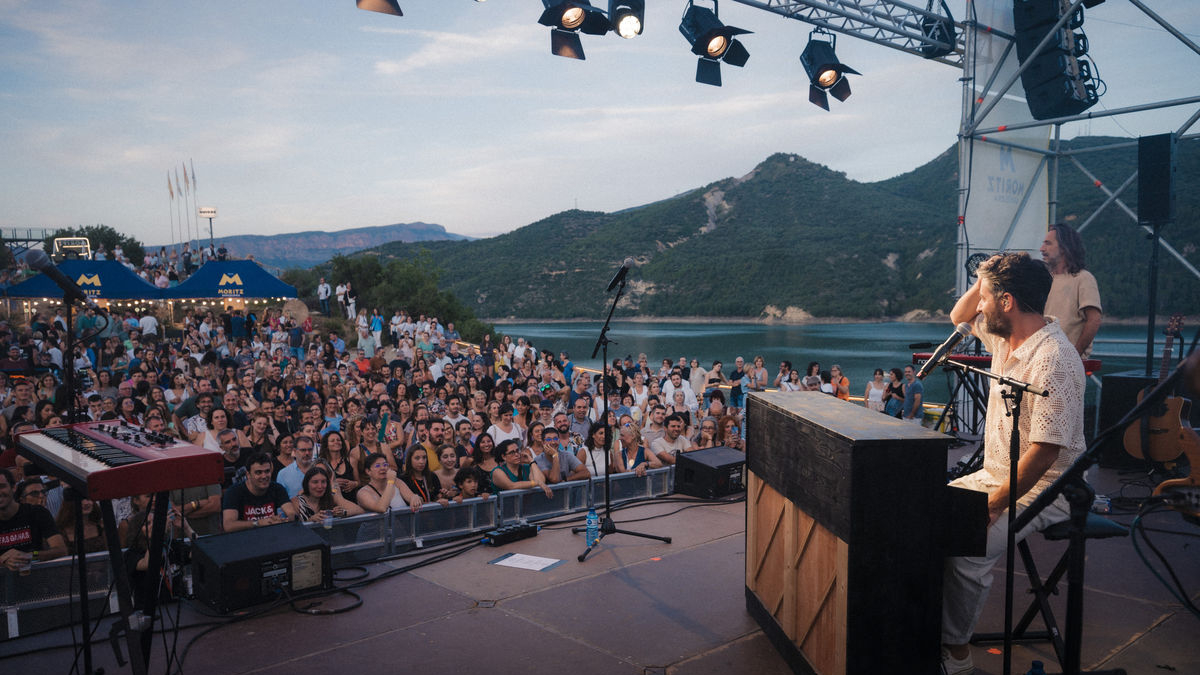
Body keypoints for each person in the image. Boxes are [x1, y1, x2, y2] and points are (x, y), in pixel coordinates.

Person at [940, 252, 1084, 675]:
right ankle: (924, 628)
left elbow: (1044, 453)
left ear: (1007, 302)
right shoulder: (1005, 337)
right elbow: (957, 315)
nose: (978, 307)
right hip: (996, 473)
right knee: (924, 519)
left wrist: (993, 504)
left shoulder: (1053, 358)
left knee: (967, 552)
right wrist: (986, 276)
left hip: (1049, 488)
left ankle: (957, 654)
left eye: (985, 297)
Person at [1040, 222, 1102, 357]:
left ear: (1063, 247)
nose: (1041, 248)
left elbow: (1094, 319)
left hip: (1067, 361)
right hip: (1041, 358)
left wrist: (1074, 354)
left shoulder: (1083, 278)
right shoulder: (1043, 279)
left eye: (1048, 243)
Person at [1, 468, 67, 571]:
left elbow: (61, 550)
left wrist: (30, 555)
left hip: (37, 580)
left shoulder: (37, 513)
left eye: (2, 487)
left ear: (13, 487)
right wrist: (3, 560)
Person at [220, 452, 296, 532]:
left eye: (267, 471)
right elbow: (228, 526)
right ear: (248, 474)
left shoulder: (277, 488)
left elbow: (291, 513)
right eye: (258, 472)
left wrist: (285, 520)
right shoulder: (234, 492)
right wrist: (257, 523)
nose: (264, 476)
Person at [291, 465, 362, 523]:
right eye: (315, 482)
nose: (320, 486)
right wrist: (311, 520)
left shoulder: (331, 497)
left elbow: (359, 510)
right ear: (307, 484)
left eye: (323, 482)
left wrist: (343, 513)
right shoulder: (297, 502)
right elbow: (294, 528)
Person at [357, 452, 421, 513]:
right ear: (368, 471)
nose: (383, 468)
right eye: (377, 466)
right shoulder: (363, 493)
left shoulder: (397, 482)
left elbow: (411, 497)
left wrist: (415, 498)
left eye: (385, 465)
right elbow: (381, 508)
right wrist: (390, 482)